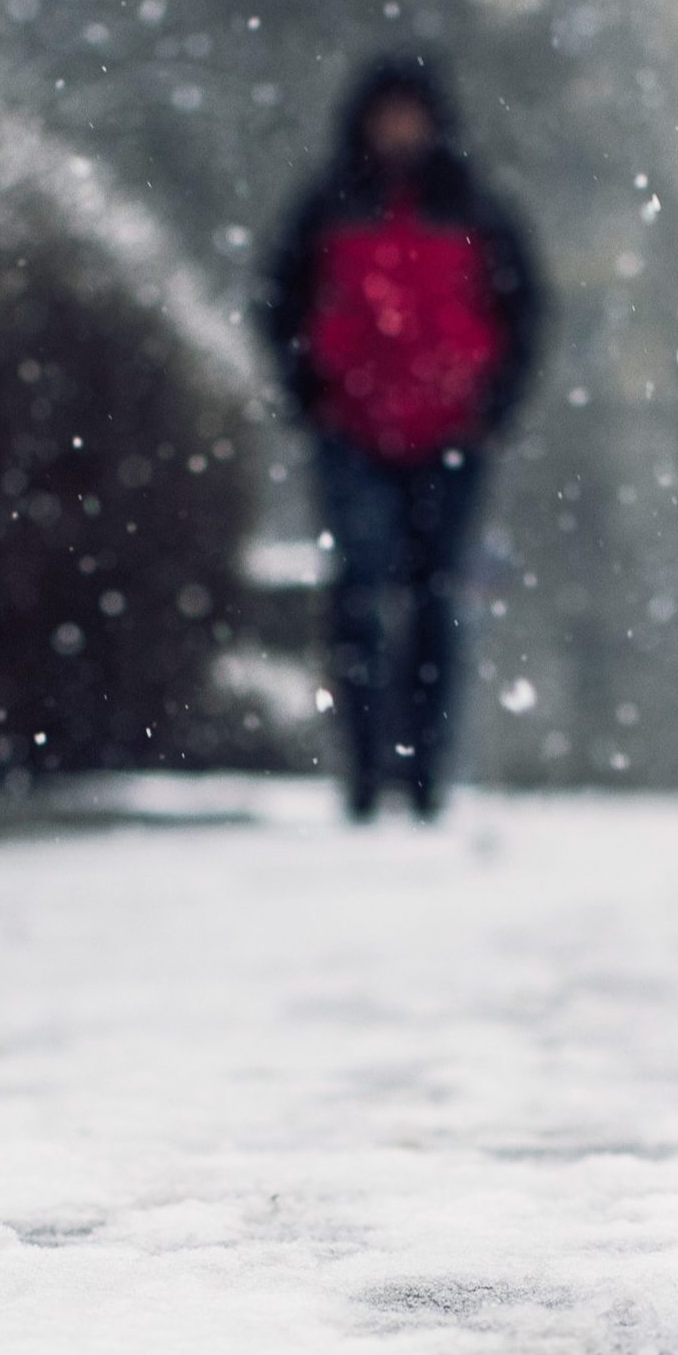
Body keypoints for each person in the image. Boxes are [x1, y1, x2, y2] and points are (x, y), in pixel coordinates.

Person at [264, 54, 545, 823]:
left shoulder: (477, 209)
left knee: (434, 603)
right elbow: (281, 301)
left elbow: (523, 313)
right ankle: (362, 772)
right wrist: (312, 396)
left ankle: (425, 777)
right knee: (359, 596)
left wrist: (492, 405)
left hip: (451, 432)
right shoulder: (328, 205)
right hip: (351, 428)